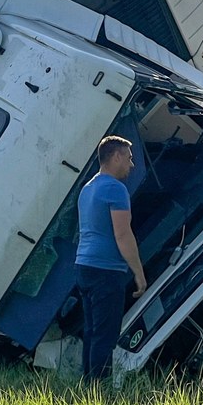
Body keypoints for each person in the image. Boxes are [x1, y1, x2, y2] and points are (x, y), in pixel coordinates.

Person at [75, 135, 147, 380]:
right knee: (105, 335)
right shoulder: (116, 189)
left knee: (92, 331)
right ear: (115, 156)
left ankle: (89, 386)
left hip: (84, 265)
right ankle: (99, 391)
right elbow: (123, 234)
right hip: (106, 269)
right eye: (128, 157)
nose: (131, 164)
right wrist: (138, 272)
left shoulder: (88, 188)